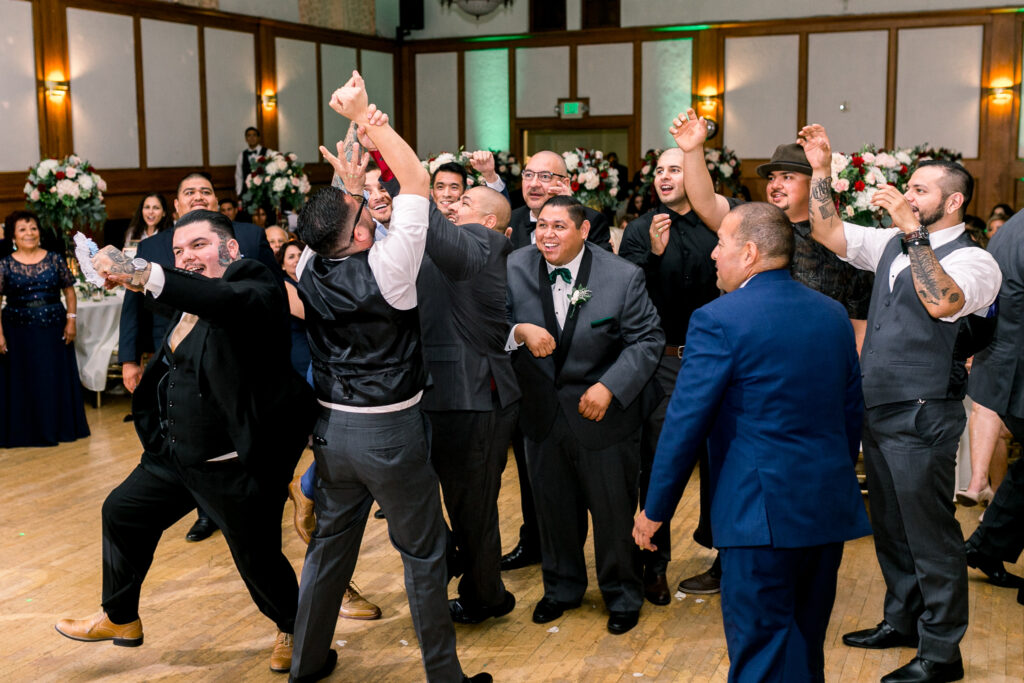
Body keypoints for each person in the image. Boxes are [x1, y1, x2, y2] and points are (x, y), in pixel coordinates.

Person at [289, 71, 489, 683]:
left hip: (331, 432)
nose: (366, 208)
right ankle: (445, 678)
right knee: (424, 552)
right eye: (358, 210)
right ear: (354, 233)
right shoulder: (391, 268)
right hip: (390, 434)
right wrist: (368, 117)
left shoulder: (306, 261)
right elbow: (417, 180)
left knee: (327, 550)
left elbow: (331, 220)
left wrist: (345, 182)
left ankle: (307, 664)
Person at [57, 210, 313, 674]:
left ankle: (296, 630)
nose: (186, 256)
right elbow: (187, 301)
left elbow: (226, 302)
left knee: (257, 557)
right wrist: (139, 283)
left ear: (230, 249)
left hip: (232, 461)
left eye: (198, 245)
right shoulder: (191, 298)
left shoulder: (254, 283)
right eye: (178, 250)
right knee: (122, 512)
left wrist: (144, 271)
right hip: (175, 455)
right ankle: (121, 619)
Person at [633, 202, 871, 683]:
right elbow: (850, 414)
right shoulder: (832, 315)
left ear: (750, 252)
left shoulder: (717, 319)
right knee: (805, 642)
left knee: (759, 649)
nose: (713, 255)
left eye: (720, 243)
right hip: (825, 506)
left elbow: (684, 424)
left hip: (757, 513)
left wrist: (655, 509)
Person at [801, 123, 1002, 683]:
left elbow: (943, 304)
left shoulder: (975, 261)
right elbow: (828, 231)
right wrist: (820, 171)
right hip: (879, 408)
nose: (908, 197)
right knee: (890, 527)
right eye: (908, 189)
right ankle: (903, 620)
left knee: (931, 535)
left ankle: (942, 653)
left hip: (923, 412)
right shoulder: (890, 244)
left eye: (920, 190)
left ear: (953, 201)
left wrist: (914, 235)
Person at [506, 195, 663, 635]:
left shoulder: (622, 276)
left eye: (558, 226)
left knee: (613, 515)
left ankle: (623, 594)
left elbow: (647, 341)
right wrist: (517, 330)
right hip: (541, 416)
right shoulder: (513, 267)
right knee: (552, 512)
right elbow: (488, 320)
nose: (547, 234)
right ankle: (561, 589)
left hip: (604, 417)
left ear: (583, 231)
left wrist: (609, 386)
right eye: (541, 225)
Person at [118, 171, 279, 544]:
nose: (197, 196)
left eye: (205, 191)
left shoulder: (248, 237)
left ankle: (236, 508)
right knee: (186, 433)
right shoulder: (153, 246)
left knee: (229, 441)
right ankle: (204, 510)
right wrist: (130, 358)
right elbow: (133, 309)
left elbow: (269, 291)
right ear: (176, 205)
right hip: (174, 352)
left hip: (237, 359)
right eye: (189, 192)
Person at [618, 146, 733, 604]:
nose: (665, 177)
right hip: (662, 361)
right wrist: (652, 254)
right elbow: (622, 297)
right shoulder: (639, 230)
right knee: (659, 458)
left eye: (675, 169)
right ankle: (654, 561)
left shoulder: (721, 226)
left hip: (717, 358)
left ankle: (726, 557)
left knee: (722, 458)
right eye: (659, 170)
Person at [501, 150, 614, 572]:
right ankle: (538, 545)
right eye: (528, 173)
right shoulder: (509, 221)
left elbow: (606, 285)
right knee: (535, 478)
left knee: (594, 488)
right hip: (523, 376)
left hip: (580, 374)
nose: (535, 183)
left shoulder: (591, 222)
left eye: (546, 176)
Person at [677, 109, 873, 350]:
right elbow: (705, 202)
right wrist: (693, 150)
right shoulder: (752, 221)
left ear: (814, 182)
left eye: (787, 177)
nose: (775, 185)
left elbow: (858, 328)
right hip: (747, 356)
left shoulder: (844, 243)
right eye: (772, 177)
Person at [962, 210, 1024, 597]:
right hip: (1017, 367)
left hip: (1007, 365)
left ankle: (985, 547)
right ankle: (985, 546)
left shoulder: (1015, 223)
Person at [0, 210, 89, 447]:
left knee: (51, 378)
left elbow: (69, 291)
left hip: (53, 328)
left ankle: (57, 428)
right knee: (23, 381)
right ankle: (24, 432)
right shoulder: (4, 264)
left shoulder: (54, 259)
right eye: (22, 229)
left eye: (33, 228)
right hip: (17, 331)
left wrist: (71, 320)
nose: (29, 233)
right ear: (13, 236)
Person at [277, 239, 310, 377]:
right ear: (283, 266)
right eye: (291, 257)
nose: (297, 259)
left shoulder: (310, 281)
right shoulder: (286, 285)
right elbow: (308, 314)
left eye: (300, 255)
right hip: (301, 347)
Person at [235, 126, 267, 196]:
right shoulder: (241, 155)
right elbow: (239, 176)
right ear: (246, 139)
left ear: (258, 138)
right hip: (247, 193)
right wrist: (239, 193)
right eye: (249, 135)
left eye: (254, 135)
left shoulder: (267, 152)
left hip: (264, 193)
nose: (252, 138)